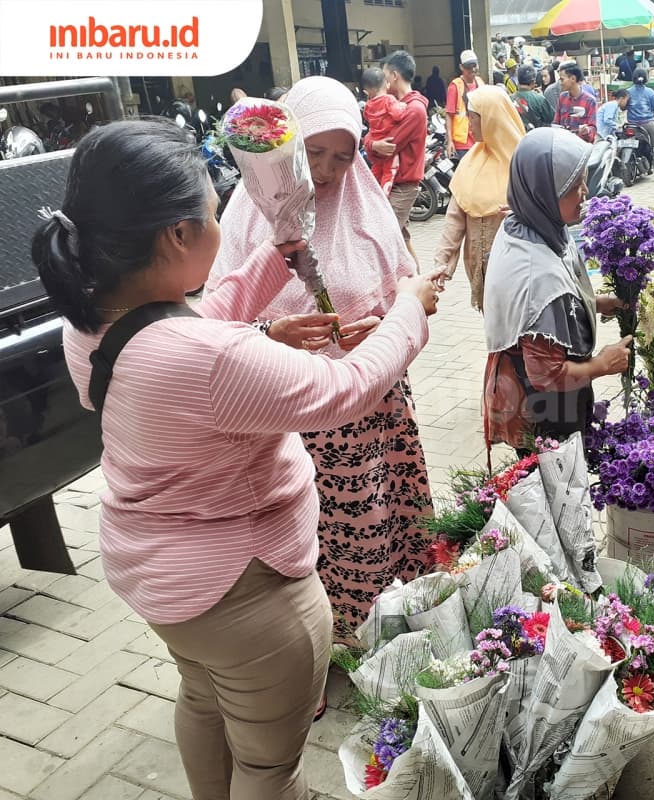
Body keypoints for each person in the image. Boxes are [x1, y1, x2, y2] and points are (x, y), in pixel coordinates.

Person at [37, 120, 440, 794]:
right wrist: (407, 309)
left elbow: (194, 319)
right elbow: (344, 388)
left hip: (165, 584)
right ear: (177, 235)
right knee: (266, 764)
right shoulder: (210, 358)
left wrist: (275, 268)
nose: (221, 223)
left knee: (202, 698)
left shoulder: (92, 321)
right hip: (246, 594)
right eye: (209, 209)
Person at [213, 75, 439, 644]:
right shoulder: (248, 213)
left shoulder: (367, 205)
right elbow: (217, 328)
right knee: (310, 531)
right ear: (288, 146)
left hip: (373, 406)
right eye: (314, 152)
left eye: (343, 155)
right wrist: (273, 332)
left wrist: (384, 323)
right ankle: (314, 642)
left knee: (378, 514)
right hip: (296, 416)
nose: (329, 169)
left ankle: (374, 628)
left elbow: (409, 290)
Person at [482, 128, 631, 451]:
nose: (585, 192)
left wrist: (596, 302)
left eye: (583, 180)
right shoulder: (540, 281)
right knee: (557, 484)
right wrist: (602, 365)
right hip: (547, 407)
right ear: (543, 193)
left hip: (536, 389)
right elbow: (547, 377)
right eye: (573, 186)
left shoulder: (526, 222)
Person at [433, 87, 524, 312]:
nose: (468, 123)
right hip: (481, 274)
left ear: (491, 118)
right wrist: (441, 264)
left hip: (520, 273)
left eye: (473, 117)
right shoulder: (471, 161)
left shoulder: (523, 163)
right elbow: (455, 218)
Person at [366, 51, 429, 266]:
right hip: (392, 183)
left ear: (393, 76)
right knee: (401, 237)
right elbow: (373, 137)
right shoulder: (391, 107)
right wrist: (372, 143)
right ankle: (419, 287)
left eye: (384, 76)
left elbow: (389, 146)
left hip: (402, 185)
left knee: (386, 236)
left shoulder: (414, 110)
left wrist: (372, 144)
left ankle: (408, 288)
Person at [360, 67, 408, 193]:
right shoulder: (389, 100)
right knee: (389, 172)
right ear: (387, 84)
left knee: (376, 169)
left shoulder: (368, 105)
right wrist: (403, 106)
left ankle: (372, 194)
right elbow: (398, 115)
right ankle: (384, 197)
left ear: (367, 91)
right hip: (386, 145)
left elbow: (366, 116)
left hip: (374, 145)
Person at [626, 69, 654, 179]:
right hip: (648, 123)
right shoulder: (650, 92)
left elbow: (624, 106)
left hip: (632, 125)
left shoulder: (628, 92)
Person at [446, 49, 485, 159]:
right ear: (461, 67)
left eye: (474, 65)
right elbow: (449, 114)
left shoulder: (480, 83)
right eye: (468, 67)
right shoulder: (455, 86)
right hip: (463, 143)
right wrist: (450, 141)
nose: (473, 69)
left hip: (480, 140)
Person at [553, 63, 597, 140]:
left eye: (562, 79)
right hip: (563, 142)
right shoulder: (562, 97)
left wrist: (586, 130)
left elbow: (593, 128)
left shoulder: (590, 101)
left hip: (580, 145)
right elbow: (556, 121)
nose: (560, 82)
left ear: (573, 79)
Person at [513, 64, 555, 130]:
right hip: (535, 137)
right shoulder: (540, 99)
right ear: (533, 81)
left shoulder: (508, 99)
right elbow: (552, 118)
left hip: (515, 137)